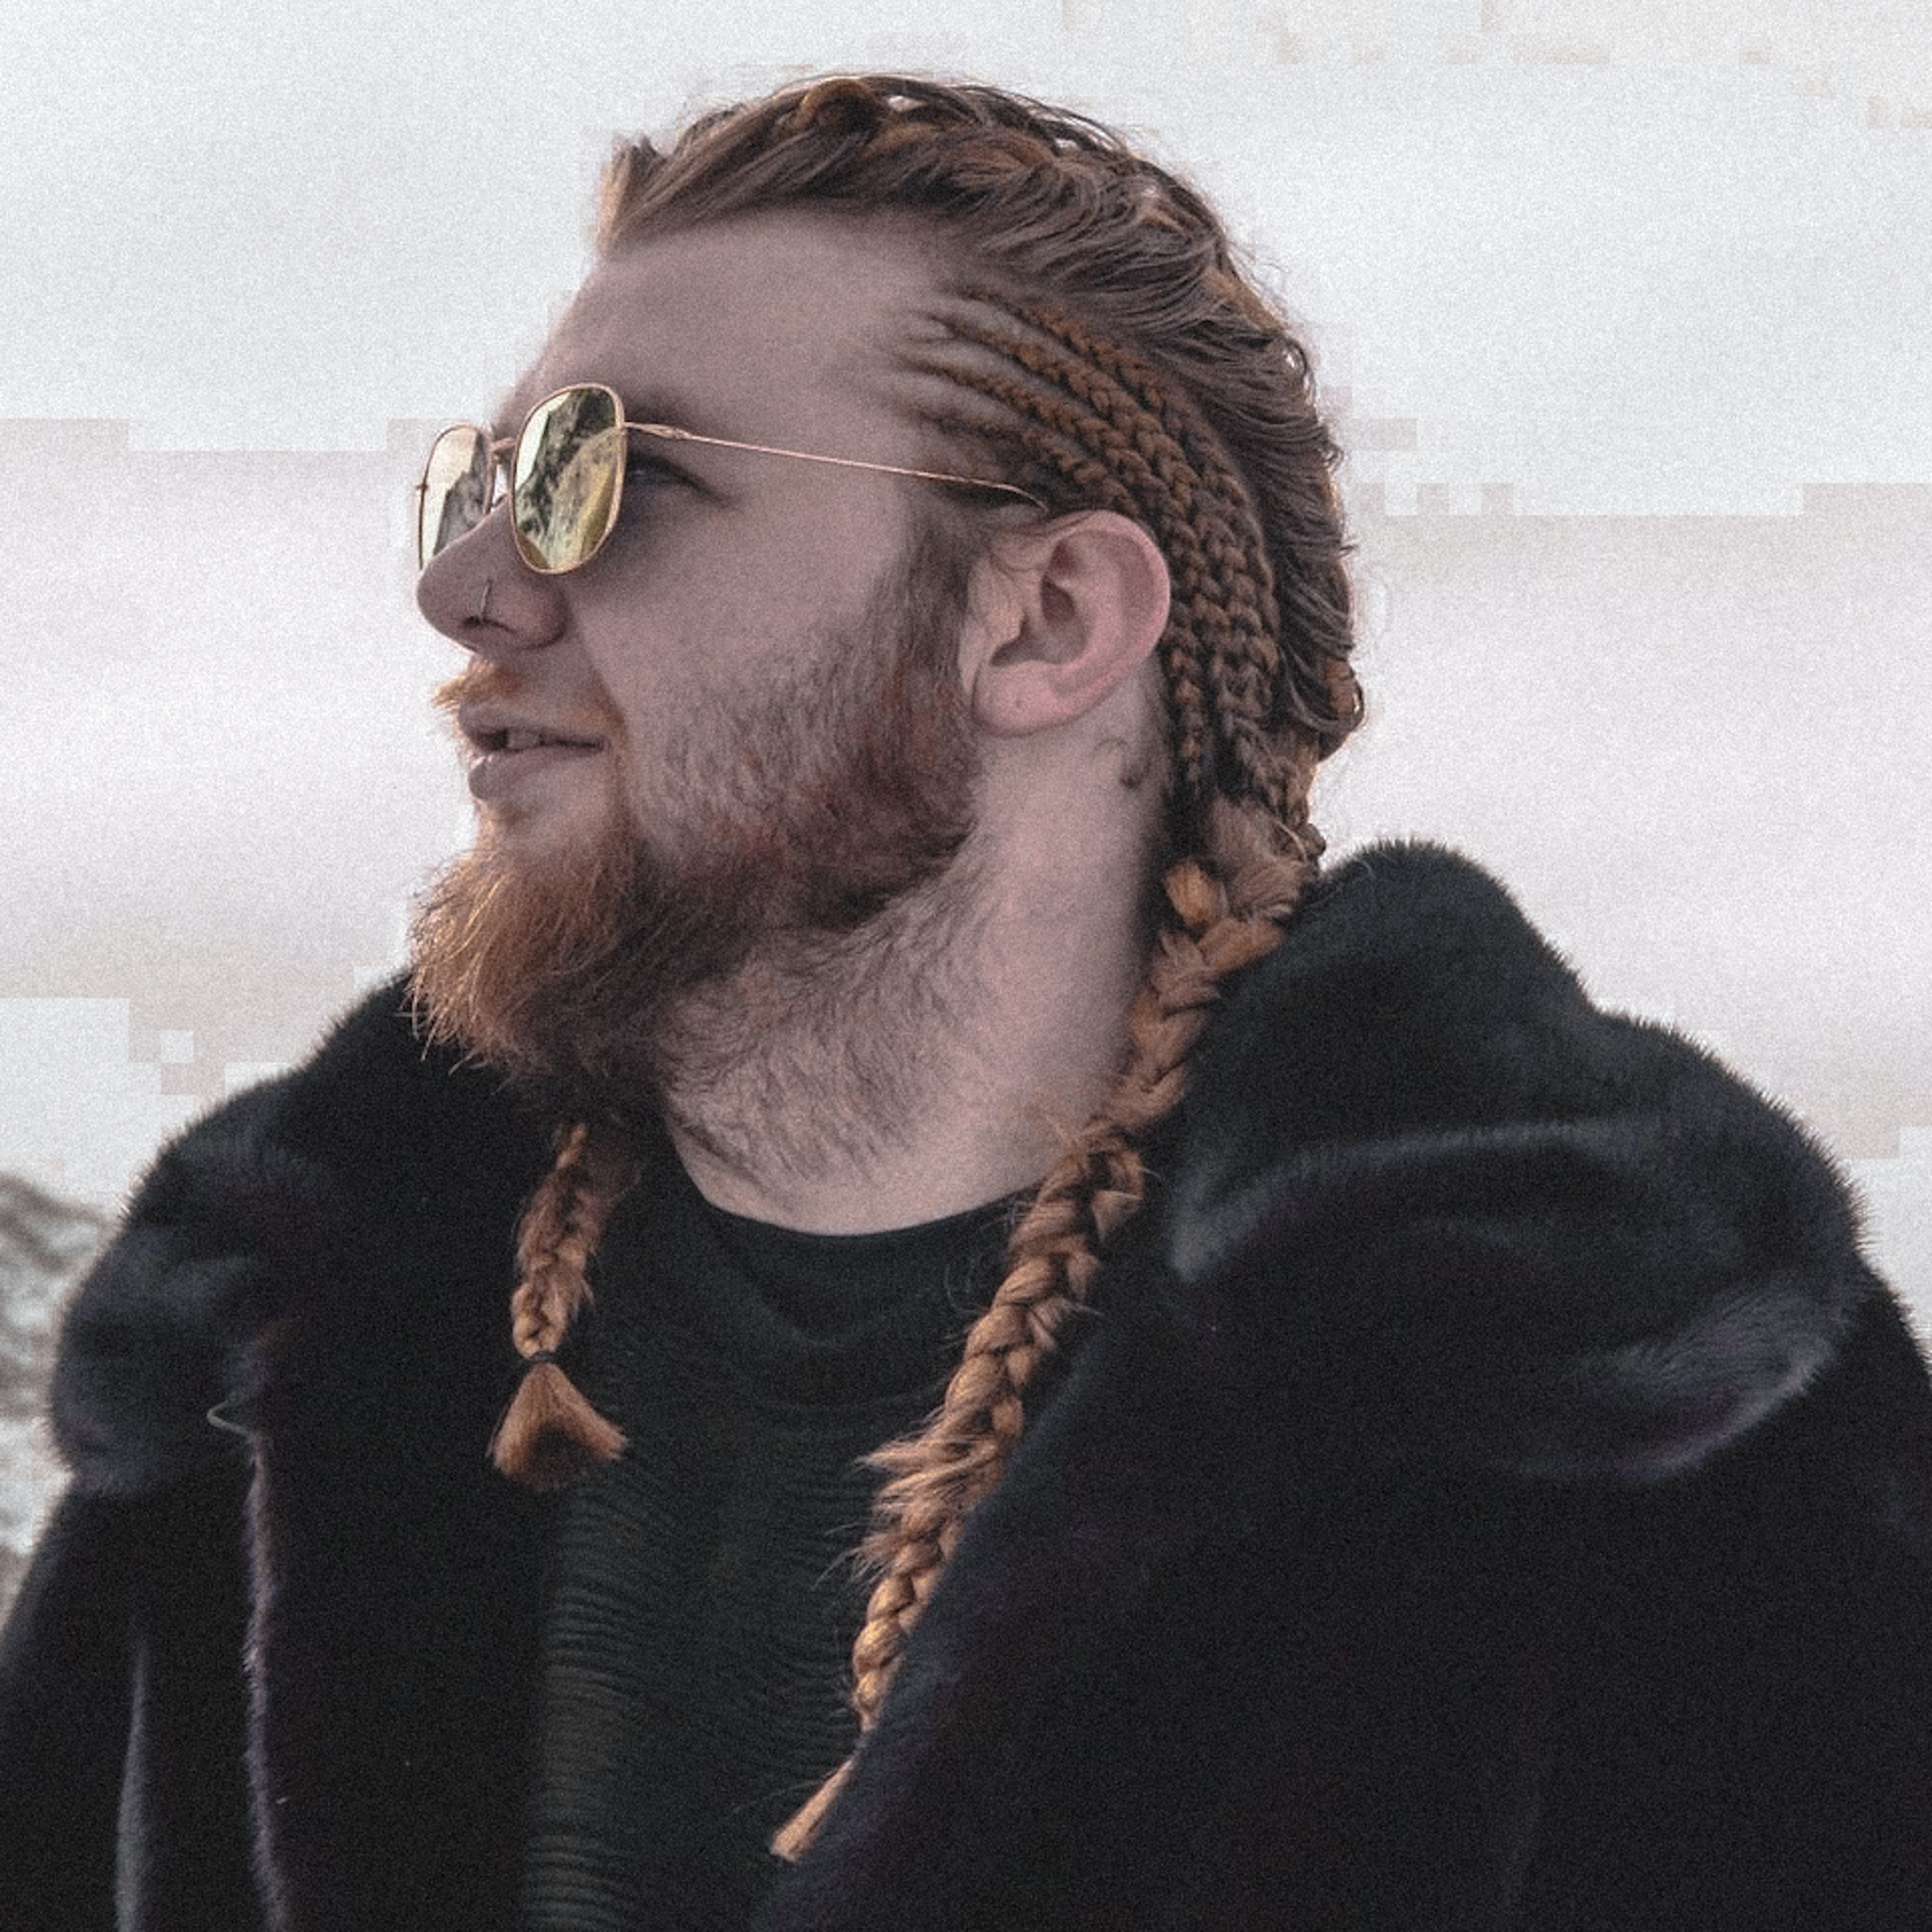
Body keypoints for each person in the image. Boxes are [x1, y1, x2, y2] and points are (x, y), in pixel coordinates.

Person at [1, 73, 1926, 1932]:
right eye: (479, 487)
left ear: (1046, 619)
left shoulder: (1628, 1430)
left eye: (613, 478)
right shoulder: (260, 1384)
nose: (471, 589)